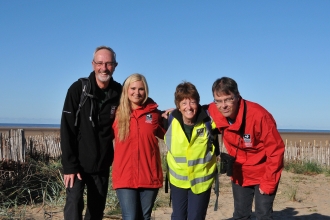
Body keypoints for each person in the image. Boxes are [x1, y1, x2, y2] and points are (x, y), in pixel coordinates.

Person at [207, 76, 285, 220]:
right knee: (240, 215)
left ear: (237, 96)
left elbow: (276, 151)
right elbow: (196, 110)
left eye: (228, 99)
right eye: (218, 100)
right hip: (240, 172)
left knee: (263, 215)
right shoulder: (214, 109)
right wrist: (176, 112)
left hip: (264, 172)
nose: (223, 105)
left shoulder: (259, 115)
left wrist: (268, 182)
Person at [60, 46, 122, 220]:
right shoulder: (78, 90)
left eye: (109, 63)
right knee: (74, 205)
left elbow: (138, 103)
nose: (104, 68)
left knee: (96, 210)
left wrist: (162, 113)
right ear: (93, 64)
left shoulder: (119, 92)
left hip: (101, 164)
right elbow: (67, 129)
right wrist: (70, 166)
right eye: (100, 63)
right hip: (77, 163)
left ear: (115, 66)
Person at [112, 73, 165, 220]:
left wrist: (177, 117)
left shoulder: (154, 114)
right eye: (133, 88)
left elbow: (170, 136)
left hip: (149, 175)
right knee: (130, 217)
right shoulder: (116, 113)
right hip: (125, 176)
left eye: (141, 89)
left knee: (145, 217)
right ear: (126, 90)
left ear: (146, 91)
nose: (137, 92)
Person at [164, 82, 219, 220]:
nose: (188, 107)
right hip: (178, 182)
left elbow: (227, 117)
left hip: (201, 181)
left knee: (195, 217)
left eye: (192, 102)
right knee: (178, 217)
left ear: (198, 103)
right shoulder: (169, 120)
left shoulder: (209, 121)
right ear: (178, 106)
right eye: (183, 103)